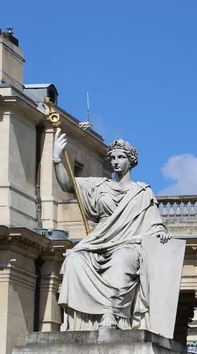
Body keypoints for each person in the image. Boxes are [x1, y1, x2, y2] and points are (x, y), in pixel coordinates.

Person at [53, 129, 169, 330]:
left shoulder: (142, 192)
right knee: (73, 259)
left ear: (130, 160)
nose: (116, 161)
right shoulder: (98, 186)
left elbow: (154, 223)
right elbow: (67, 184)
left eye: (121, 157)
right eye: (113, 158)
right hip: (99, 243)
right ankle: (78, 322)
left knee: (121, 260)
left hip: (128, 245)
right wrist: (56, 158)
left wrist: (160, 232)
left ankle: (111, 313)